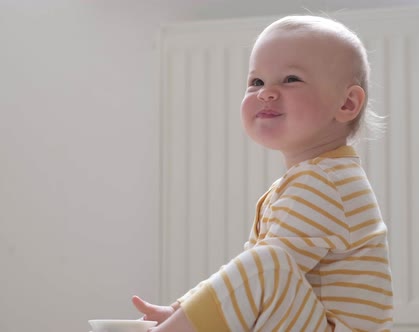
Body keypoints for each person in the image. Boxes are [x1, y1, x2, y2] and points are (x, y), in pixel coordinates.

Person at [132, 15, 394, 331]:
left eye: (291, 79)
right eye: (256, 82)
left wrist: (182, 318)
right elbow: (247, 286)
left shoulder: (326, 183)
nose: (266, 92)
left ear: (347, 103)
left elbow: (262, 273)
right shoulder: (313, 179)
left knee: (268, 266)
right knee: (264, 267)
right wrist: (181, 311)